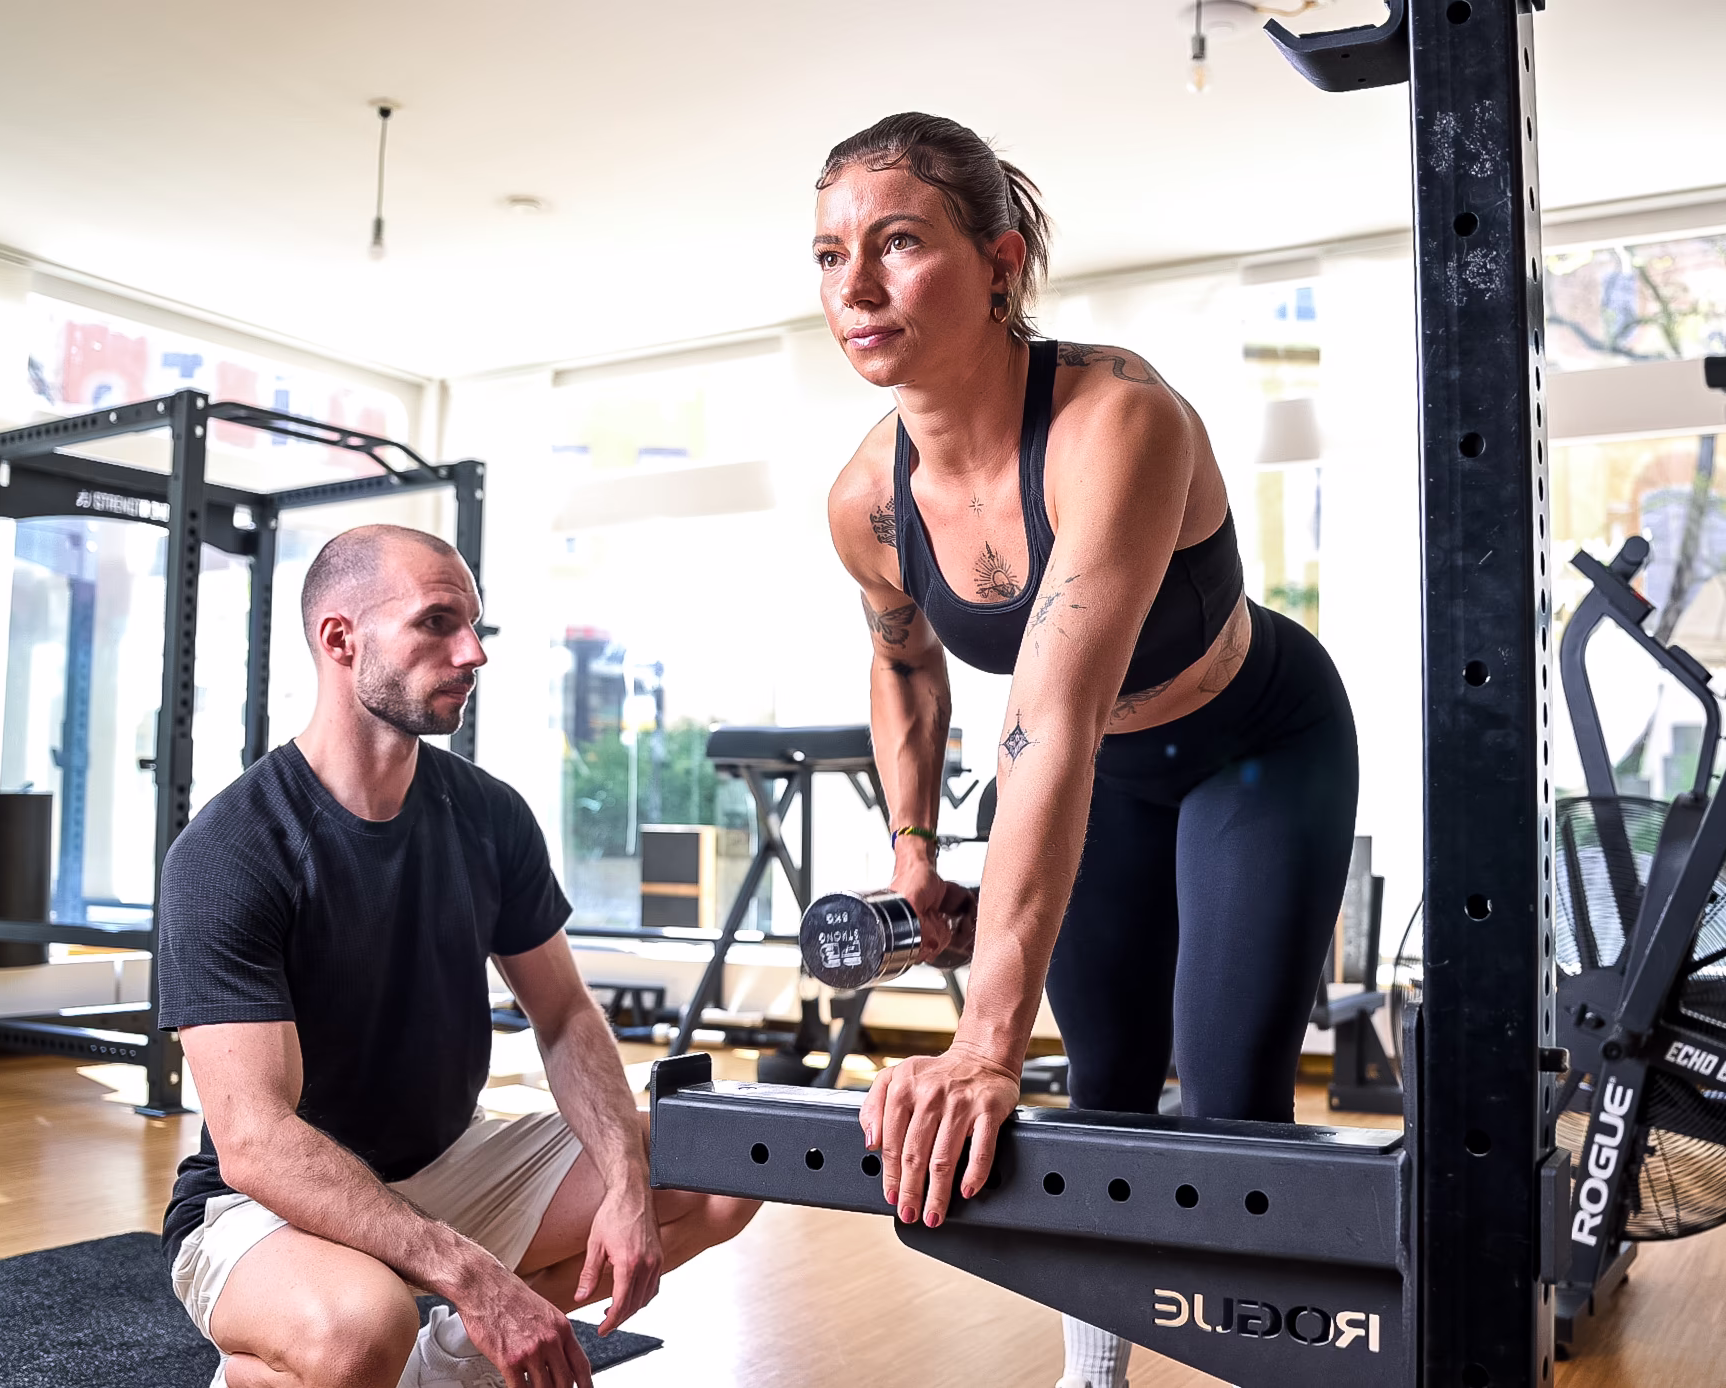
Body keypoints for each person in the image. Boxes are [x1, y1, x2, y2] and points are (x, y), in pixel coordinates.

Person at [816, 114, 1361, 1388]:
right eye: (832, 252)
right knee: (1105, 1082)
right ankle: (1096, 1373)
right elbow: (906, 661)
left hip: (1256, 748)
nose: (857, 284)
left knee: (1230, 1100)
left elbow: (1046, 714)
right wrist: (912, 855)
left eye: (899, 242)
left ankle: (1263, 1365)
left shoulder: (1119, 419)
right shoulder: (865, 502)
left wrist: (983, 1042)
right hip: (1104, 778)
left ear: (1000, 262)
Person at [155, 524, 757, 1388]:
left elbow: (564, 1014)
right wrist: (477, 1280)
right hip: (264, 1206)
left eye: (475, 626)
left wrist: (626, 1184)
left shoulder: (489, 814)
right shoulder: (232, 849)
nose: (472, 652)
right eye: (438, 623)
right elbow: (256, 1143)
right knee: (362, 1326)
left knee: (719, 1170)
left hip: (441, 1164)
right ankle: (337, 1357)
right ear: (339, 639)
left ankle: (437, 1372)